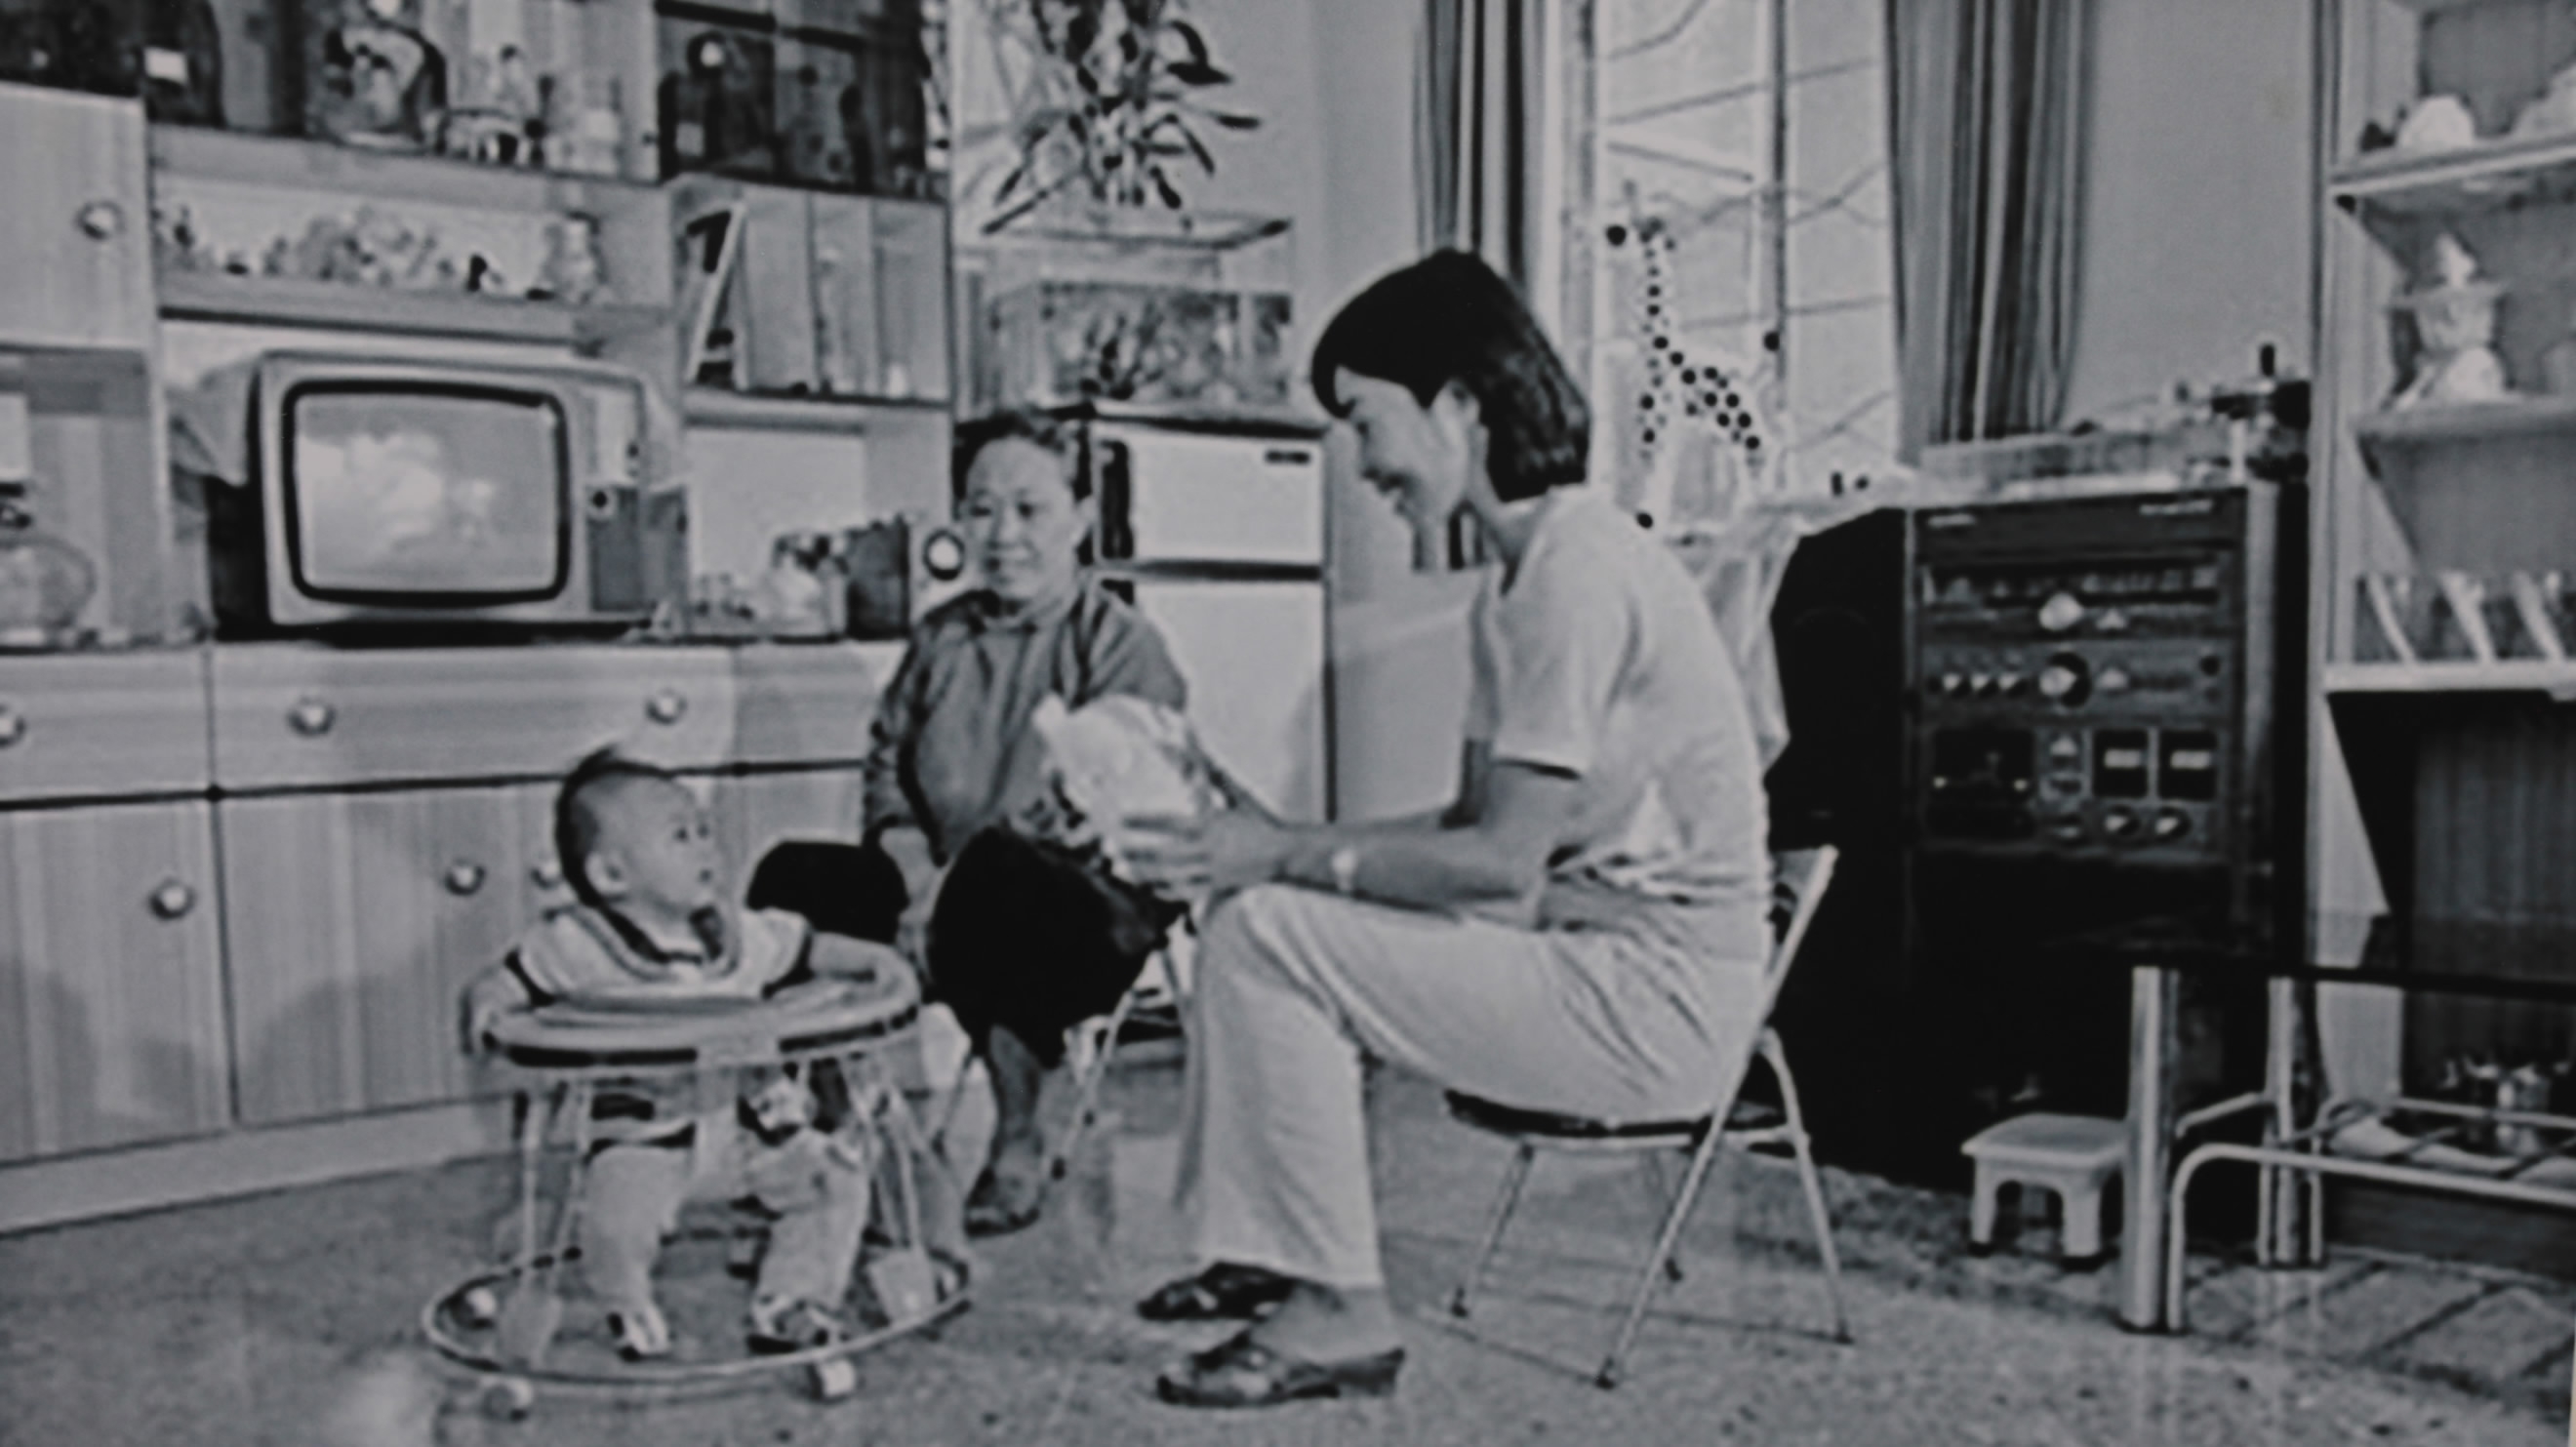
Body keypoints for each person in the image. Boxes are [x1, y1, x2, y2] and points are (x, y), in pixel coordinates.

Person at [1121, 251, 1775, 1409]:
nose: (1363, 462)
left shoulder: (1577, 574)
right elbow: (1474, 830)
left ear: (1460, 404)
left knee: (1265, 926)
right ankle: (1273, 1252)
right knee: (1257, 909)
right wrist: (1279, 840)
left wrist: (1285, 855)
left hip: (1658, 1003)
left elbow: (1499, 866)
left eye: (1366, 420)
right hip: (1590, 956)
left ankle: (1342, 1312)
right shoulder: (1514, 585)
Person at [461, 749, 959, 1360]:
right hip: (646, 1137)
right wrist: (489, 1005)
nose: (707, 848)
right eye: (682, 836)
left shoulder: (736, 933)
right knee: (617, 1223)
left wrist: (874, 960)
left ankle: (792, 1302)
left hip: (754, 1127)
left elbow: (807, 947)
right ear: (612, 875)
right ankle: (626, 1302)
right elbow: (512, 979)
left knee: (833, 1183)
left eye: (704, 831)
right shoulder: (579, 944)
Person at [850, 408, 1198, 1236]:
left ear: (1080, 517)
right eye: (981, 509)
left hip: (1084, 906)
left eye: (1030, 509)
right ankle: (826, 1143)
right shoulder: (941, 636)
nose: (1003, 534)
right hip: (938, 888)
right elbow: (887, 772)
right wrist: (918, 875)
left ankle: (1020, 1133)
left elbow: (1098, 808)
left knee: (1004, 877)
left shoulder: (1120, 643)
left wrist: (952, 888)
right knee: (796, 877)